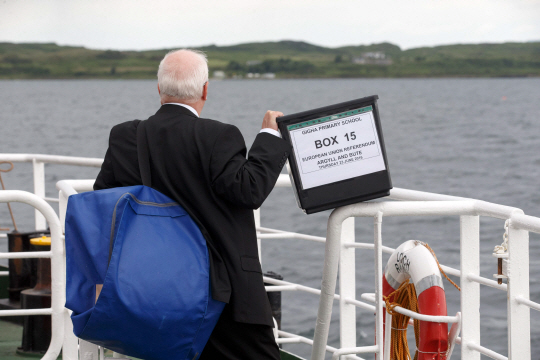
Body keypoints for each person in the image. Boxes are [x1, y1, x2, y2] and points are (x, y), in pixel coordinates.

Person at [93, 49, 291, 359]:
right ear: (205, 90)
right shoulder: (217, 135)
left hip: (156, 291)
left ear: (160, 89)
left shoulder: (124, 137)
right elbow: (249, 190)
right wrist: (269, 134)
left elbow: (105, 205)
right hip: (223, 293)